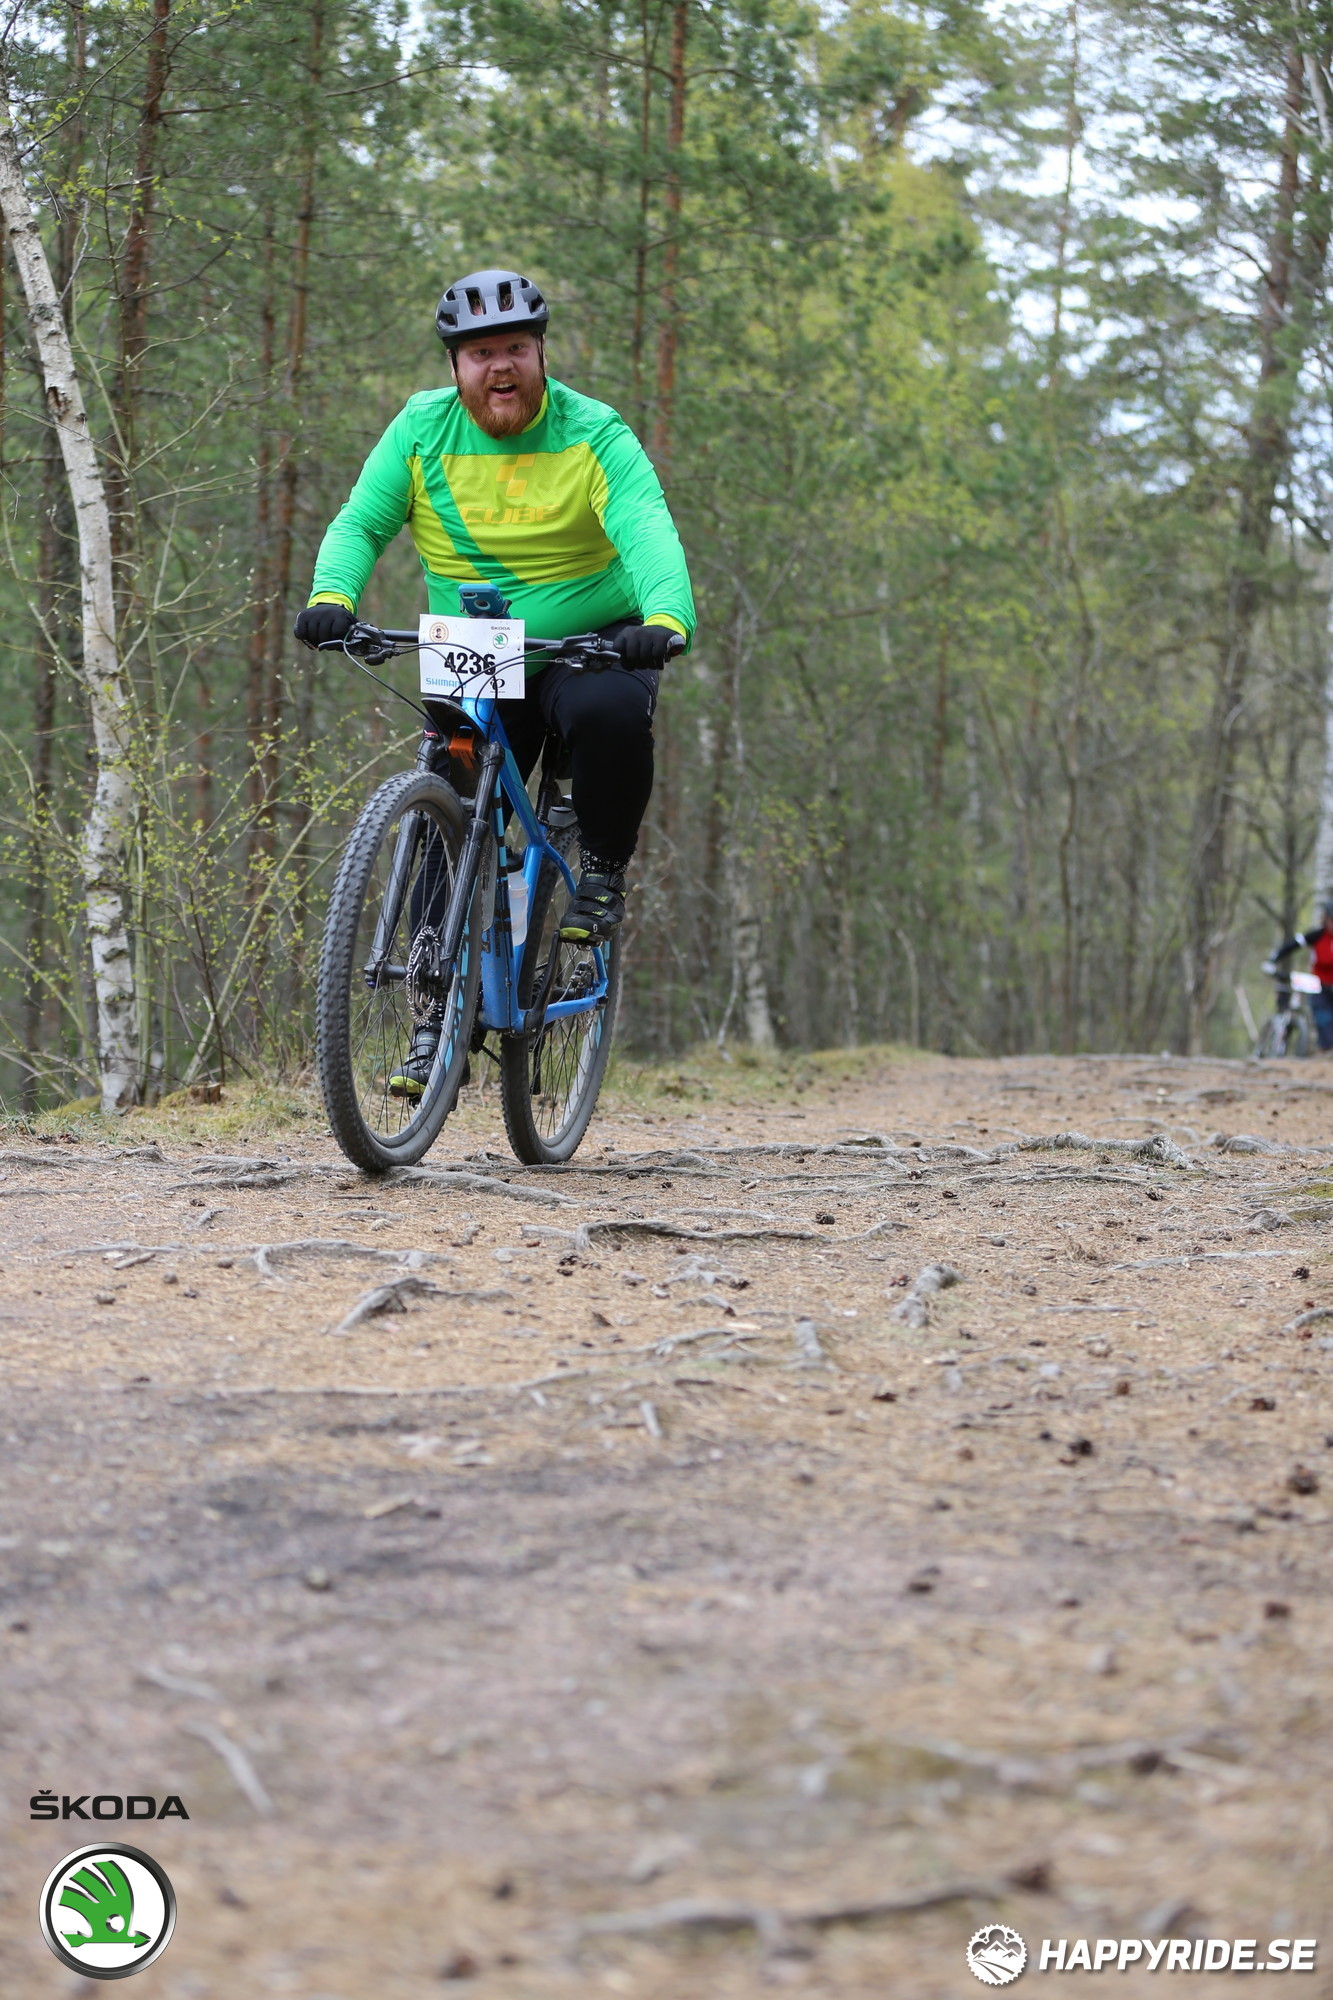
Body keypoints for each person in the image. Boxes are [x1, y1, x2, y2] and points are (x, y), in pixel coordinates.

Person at [294, 267, 695, 1096]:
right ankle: (433, 1017)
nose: (500, 366)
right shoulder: (421, 429)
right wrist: (332, 598)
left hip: (586, 643)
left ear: (541, 354)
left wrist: (664, 616)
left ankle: (601, 870)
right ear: (455, 367)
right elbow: (361, 521)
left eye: (515, 348)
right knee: (446, 808)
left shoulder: (593, 431)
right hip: (476, 648)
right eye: (481, 354)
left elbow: (644, 525)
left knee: (611, 714)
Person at [1265, 901, 1333, 1049]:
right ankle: (1326, 1049)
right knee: (1323, 1017)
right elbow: (1293, 945)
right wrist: (1273, 960)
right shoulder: (1317, 936)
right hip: (1320, 985)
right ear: (1326, 919)